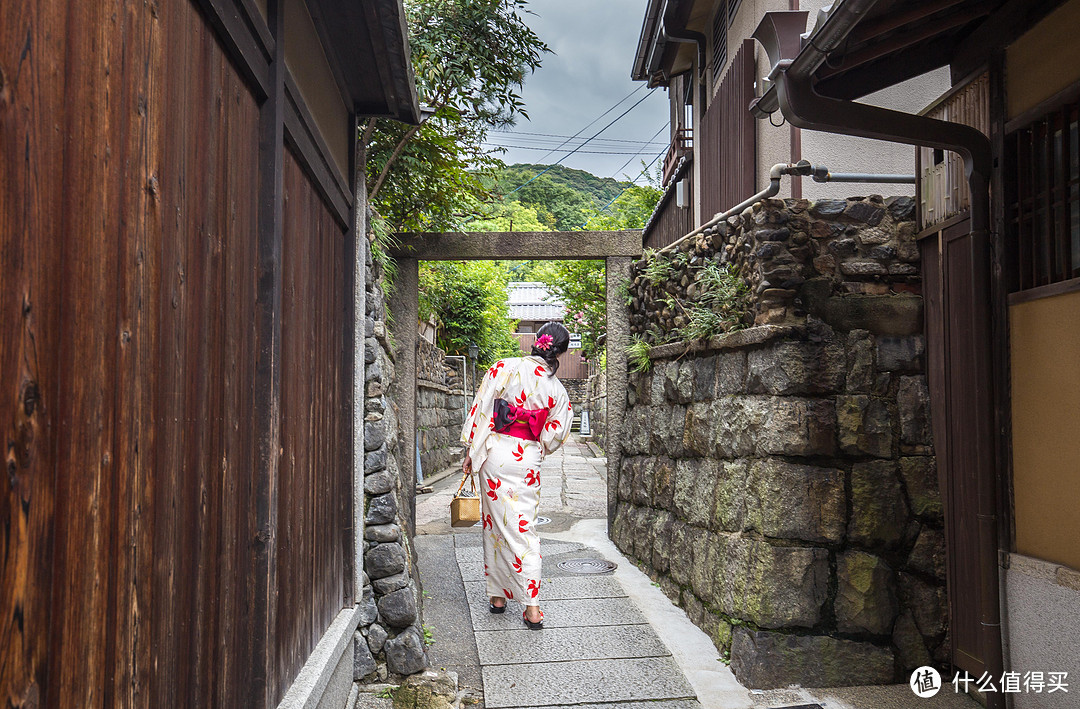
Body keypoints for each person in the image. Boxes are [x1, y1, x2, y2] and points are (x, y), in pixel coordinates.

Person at [460, 322, 574, 629]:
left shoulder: (503, 368)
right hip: (526, 460)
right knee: (524, 528)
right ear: (561, 351)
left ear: (536, 342)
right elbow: (553, 436)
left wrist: (472, 451)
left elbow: (482, 411)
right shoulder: (558, 391)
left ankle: (500, 598)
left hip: (495, 455)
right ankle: (530, 606)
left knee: (495, 524)